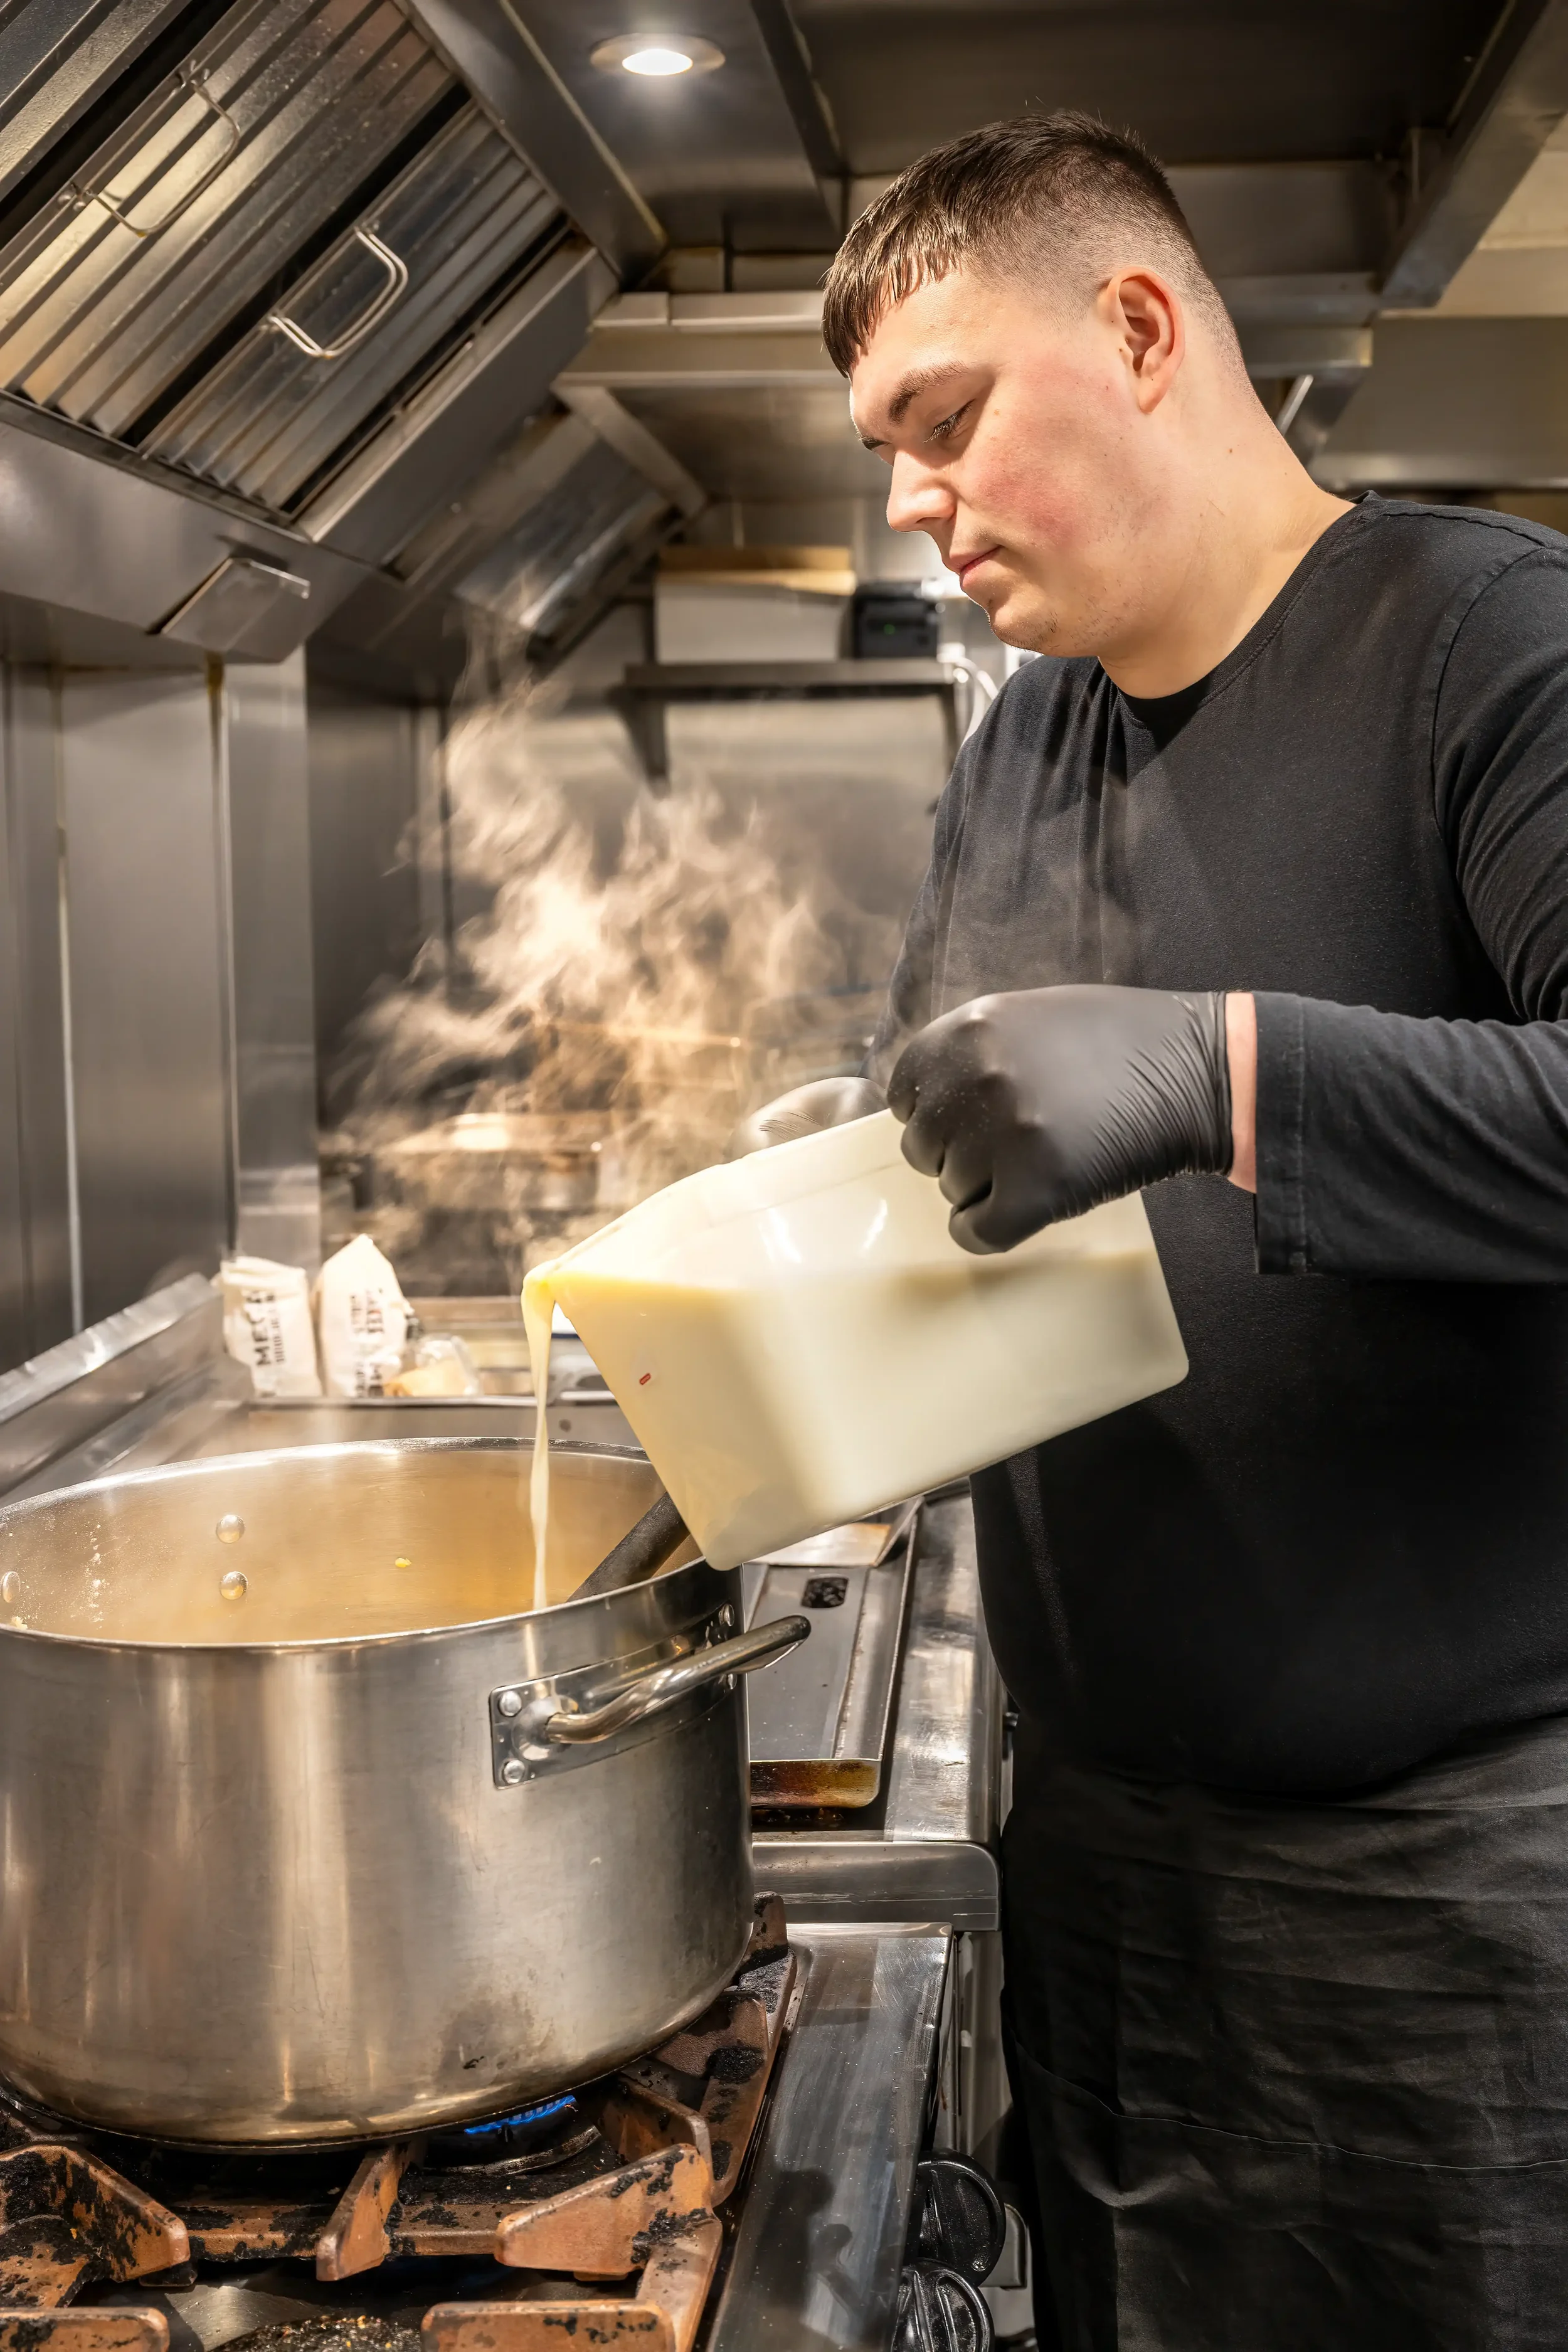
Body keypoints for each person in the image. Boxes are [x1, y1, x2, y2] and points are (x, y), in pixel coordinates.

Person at [731, 112, 1568, 2351]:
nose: (907, 494)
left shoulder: (1477, 648)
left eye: (943, 416)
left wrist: (1219, 1069)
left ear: (1135, 326)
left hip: (1432, 1893)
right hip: (1095, 1846)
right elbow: (1002, 1180)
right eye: (883, 445)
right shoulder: (1020, 749)